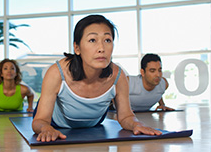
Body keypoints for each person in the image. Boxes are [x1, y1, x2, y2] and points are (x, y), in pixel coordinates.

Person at [32, 14, 162, 142]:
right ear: (77, 48)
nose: (101, 48)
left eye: (107, 40)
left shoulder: (118, 76)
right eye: (92, 40)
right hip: (55, 121)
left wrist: (136, 124)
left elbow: (126, 116)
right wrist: (45, 128)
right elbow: (40, 120)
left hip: (94, 122)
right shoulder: (57, 72)